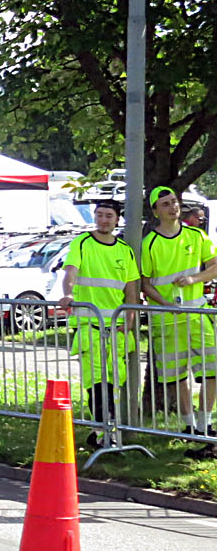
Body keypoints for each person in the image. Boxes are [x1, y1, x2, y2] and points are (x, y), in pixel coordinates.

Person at [58, 199, 142, 452]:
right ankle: (104, 432)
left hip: (116, 327)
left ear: (117, 220)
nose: (103, 220)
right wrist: (68, 294)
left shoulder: (125, 250)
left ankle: (104, 432)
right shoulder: (82, 242)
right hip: (89, 325)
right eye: (99, 215)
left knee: (114, 382)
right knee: (96, 382)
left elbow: (131, 289)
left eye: (108, 216)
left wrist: (129, 321)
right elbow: (70, 272)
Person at [141, 185, 217, 443]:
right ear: (155, 211)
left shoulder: (197, 235)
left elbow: (214, 266)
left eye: (174, 202)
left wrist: (194, 278)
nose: (173, 207)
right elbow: (145, 283)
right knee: (177, 376)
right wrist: (164, 303)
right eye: (166, 204)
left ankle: (205, 424)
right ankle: (189, 427)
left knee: (212, 370)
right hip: (167, 319)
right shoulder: (150, 243)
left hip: (197, 314)